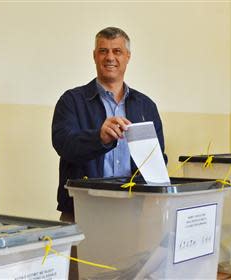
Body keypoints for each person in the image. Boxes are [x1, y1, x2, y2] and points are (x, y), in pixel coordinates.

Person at [52, 27, 167, 223]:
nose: (110, 57)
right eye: (103, 51)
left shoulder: (145, 106)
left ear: (128, 56)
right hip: (81, 211)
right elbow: (64, 145)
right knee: (79, 256)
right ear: (94, 56)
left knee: (134, 256)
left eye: (117, 51)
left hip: (133, 213)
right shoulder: (71, 101)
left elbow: (157, 159)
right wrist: (99, 138)